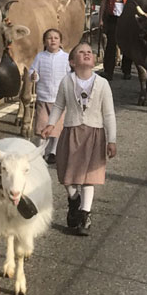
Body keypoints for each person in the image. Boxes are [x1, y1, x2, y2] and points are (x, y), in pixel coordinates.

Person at [41, 42, 116, 236]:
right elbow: (58, 106)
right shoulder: (67, 82)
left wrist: (111, 140)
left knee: (89, 177)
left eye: (89, 52)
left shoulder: (103, 84)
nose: (86, 54)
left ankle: (85, 214)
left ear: (94, 60)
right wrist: (50, 124)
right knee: (67, 174)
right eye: (81, 52)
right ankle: (74, 199)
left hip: (94, 134)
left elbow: (108, 114)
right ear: (72, 62)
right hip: (71, 132)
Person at [29, 28, 69, 165]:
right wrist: (34, 75)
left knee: (57, 127)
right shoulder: (40, 56)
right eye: (49, 38)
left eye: (56, 38)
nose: (53, 40)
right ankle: (39, 152)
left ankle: (53, 151)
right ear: (44, 42)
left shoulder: (66, 57)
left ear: (60, 41)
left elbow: (70, 75)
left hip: (60, 100)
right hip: (43, 97)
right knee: (42, 126)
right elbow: (32, 70)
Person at [100, 0, 140, 81]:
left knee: (128, 44)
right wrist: (101, 18)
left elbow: (137, 3)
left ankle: (126, 70)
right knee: (111, 45)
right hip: (113, 18)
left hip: (127, 19)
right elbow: (104, 2)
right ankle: (108, 71)